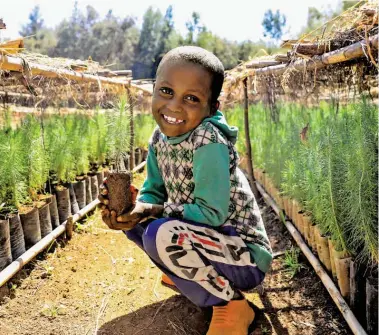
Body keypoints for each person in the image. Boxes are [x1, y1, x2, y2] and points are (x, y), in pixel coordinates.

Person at [99, 46, 272, 335]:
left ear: (211, 108)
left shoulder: (209, 141)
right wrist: (130, 209)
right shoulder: (160, 138)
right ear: (154, 89)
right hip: (206, 241)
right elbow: (153, 192)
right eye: (166, 91)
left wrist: (152, 211)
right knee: (137, 225)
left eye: (191, 98)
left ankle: (232, 305)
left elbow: (211, 213)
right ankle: (188, 277)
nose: (175, 106)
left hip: (243, 254)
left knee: (160, 233)